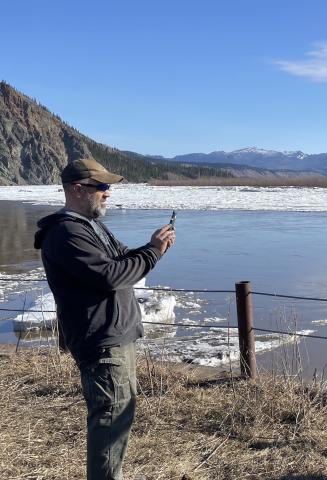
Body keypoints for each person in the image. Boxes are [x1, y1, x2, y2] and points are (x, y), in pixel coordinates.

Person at [33, 158, 175, 480]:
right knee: (110, 420)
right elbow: (111, 276)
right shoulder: (67, 233)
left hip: (114, 337)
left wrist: (156, 247)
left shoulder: (90, 225)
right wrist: (152, 252)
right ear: (78, 189)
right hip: (102, 343)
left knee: (118, 416)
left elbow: (124, 257)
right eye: (103, 187)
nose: (108, 193)